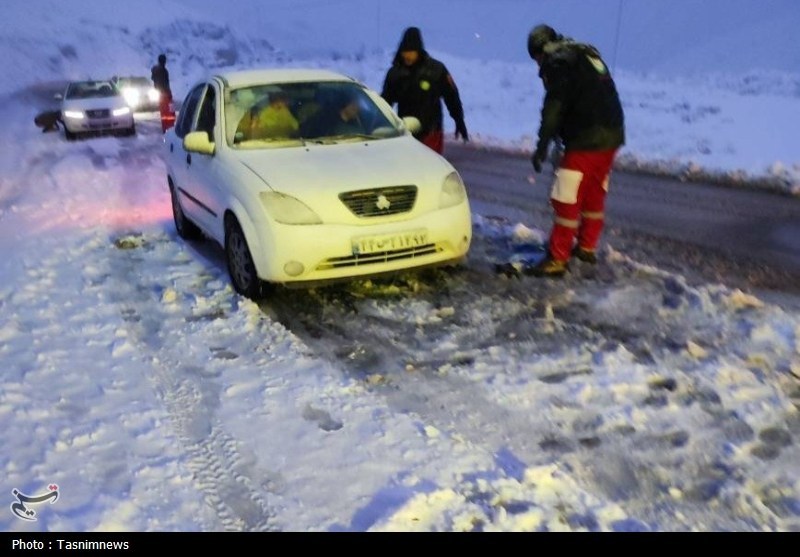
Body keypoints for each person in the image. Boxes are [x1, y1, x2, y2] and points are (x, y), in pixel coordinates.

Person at [526, 24, 625, 278]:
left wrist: (541, 146)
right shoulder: (584, 54)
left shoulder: (558, 64)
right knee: (593, 192)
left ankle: (558, 257)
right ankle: (586, 247)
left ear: (541, 50)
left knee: (566, 196)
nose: (538, 65)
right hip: (612, 135)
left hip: (586, 137)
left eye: (536, 58)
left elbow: (553, 109)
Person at [381, 27, 468, 154]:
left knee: (431, 169)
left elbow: (451, 96)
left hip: (431, 132)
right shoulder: (395, 74)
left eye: (411, 51)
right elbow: (385, 102)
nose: (407, 55)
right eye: (405, 52)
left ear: (418, 50)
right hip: (406, 132)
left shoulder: (436, 70)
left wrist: (459, 120)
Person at [151, 53, 175, 133]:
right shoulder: (163, 71)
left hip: (160, 94)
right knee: (170, 113)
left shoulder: (156, 71)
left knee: (164, 113)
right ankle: (170, 128)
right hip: (165, 93)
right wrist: (169, 94)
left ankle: (165, 128)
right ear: (164, 61)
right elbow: (165, 83)